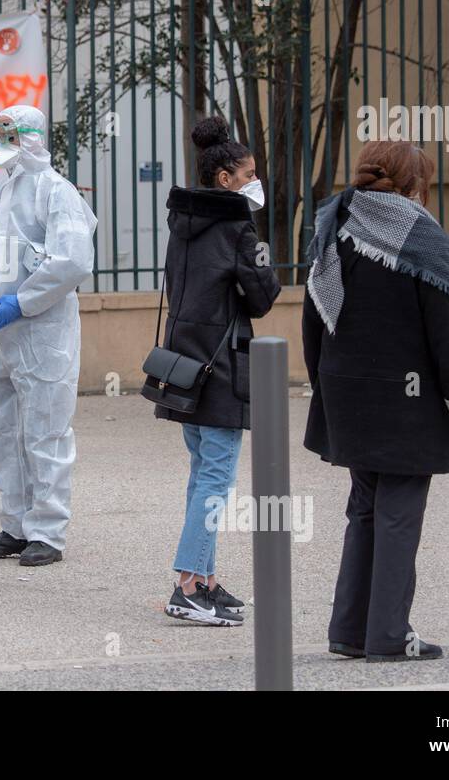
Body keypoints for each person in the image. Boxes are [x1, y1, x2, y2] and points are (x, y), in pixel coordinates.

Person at [303, 139, 449, 662]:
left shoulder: (335, 224)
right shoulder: (422, 236)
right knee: (398, 514)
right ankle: (387, 636)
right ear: (414, 184)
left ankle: (349, 631)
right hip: (407, 401)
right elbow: (448, 334)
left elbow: (314, 316)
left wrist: (326, 388)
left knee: (363, 509)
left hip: (349, 393)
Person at [0, 105, 97, 567]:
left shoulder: (56, 191)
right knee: (2, 429)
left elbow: (71, 262)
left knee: (45, 432)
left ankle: (47, 531)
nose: (0, 139)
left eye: (8, 132)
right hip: (4, 335)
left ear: (30, 136)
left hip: (44, 332)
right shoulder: (7, 191)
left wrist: (22, 302)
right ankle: (16, 524)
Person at [156, 116, 281, 626]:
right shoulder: (235, 228)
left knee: (200, 472)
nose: (256, 181)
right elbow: (263, 296)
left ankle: (205, 578)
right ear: (225, 178)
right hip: (222, 365)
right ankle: (187, 584)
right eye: (249, 173)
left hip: (185, 362)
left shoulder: (183, 221)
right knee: (215, 477)